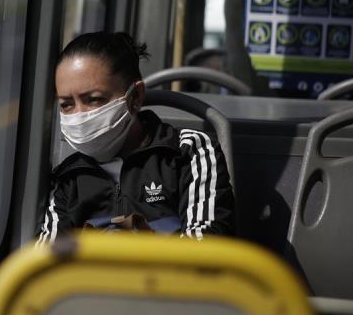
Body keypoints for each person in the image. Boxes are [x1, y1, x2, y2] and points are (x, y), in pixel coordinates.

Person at [36, 32, 234, 245]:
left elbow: (205, 246)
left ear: (135, 97)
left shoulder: (188, 152)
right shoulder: (67, 179)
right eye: (67, 105)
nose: (79, 115)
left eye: (93, 100)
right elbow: (49, 260)